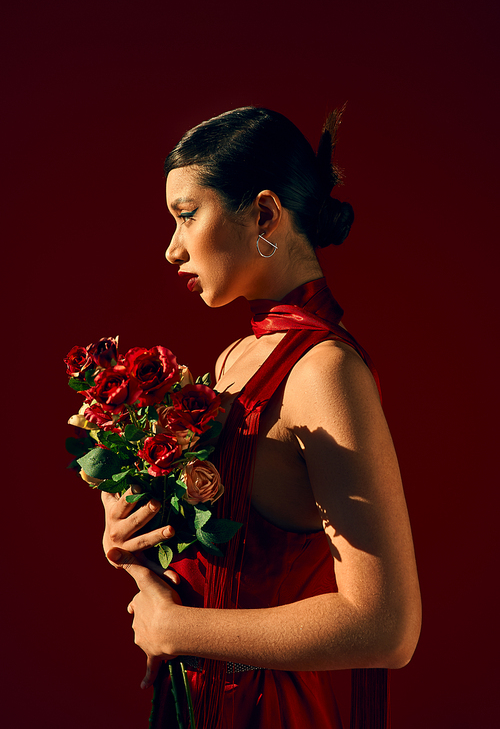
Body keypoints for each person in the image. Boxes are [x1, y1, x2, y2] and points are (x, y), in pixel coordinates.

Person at [102, 107, 421, 729]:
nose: (172, 249)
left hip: (273, 712)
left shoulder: (324, 369)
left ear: (266, 215)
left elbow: (387, 628)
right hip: (201, 703)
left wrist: (181, 628)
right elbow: (230, 556)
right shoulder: (236, 356)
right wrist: (134, 552)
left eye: (186, 214)